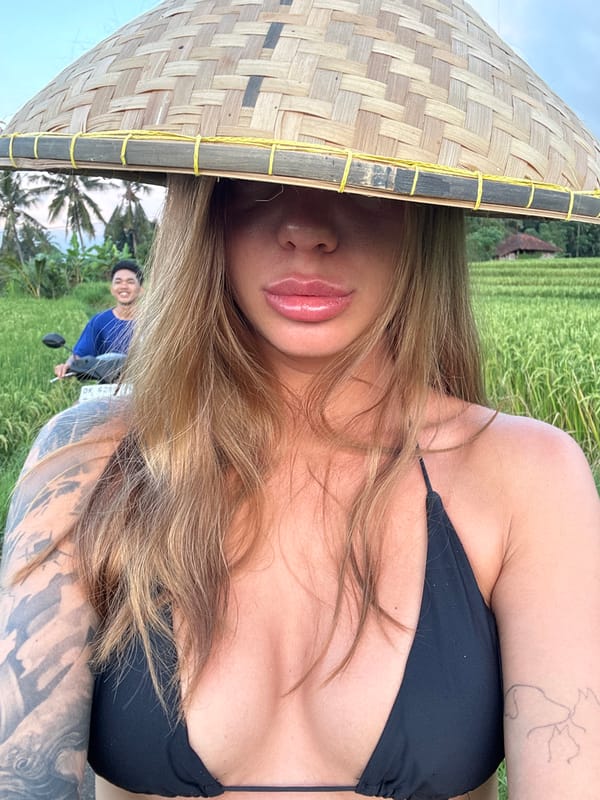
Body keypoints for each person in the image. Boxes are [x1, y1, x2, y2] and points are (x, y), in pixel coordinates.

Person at [0, 3, 599, 800]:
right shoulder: (84, 462)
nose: (308, 228)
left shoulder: (528, 478)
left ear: (425, 213)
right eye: (261, 174)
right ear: (205, 199)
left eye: (367, 175)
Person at [53, 259, 144, 379]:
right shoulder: (100, 321)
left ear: (141, 290)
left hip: (146, 384)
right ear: (112, 289)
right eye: (118, 282)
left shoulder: (152, 321)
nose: (123, 286)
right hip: (109, 386)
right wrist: (68, 365)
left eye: (130, 282)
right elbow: (80, 354)